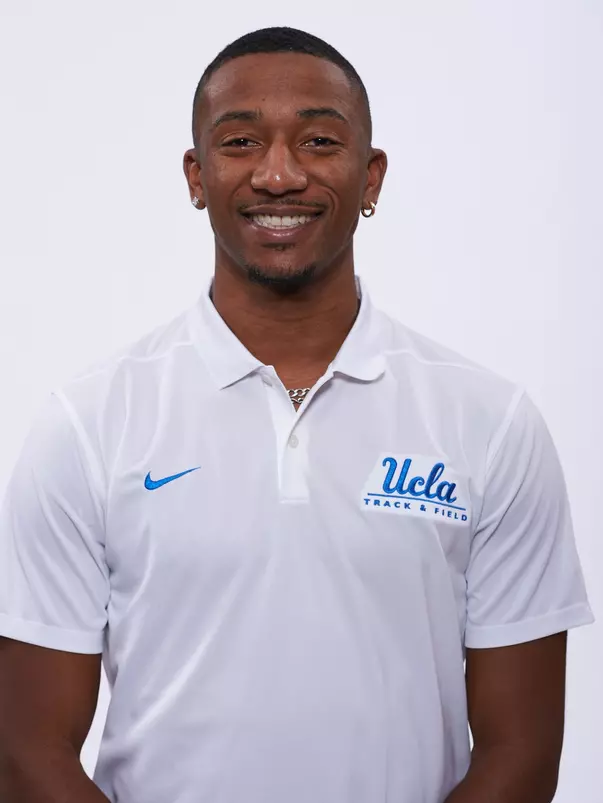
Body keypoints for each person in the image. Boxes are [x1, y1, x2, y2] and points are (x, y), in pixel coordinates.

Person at [0, 25, 595, 803]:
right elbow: (25, 752)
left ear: (371, 176)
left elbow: (520, 755)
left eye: (318, 140)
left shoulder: (489, 421)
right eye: (240, 141)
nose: (277, 174)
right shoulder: (86, 424)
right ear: (196, 174)